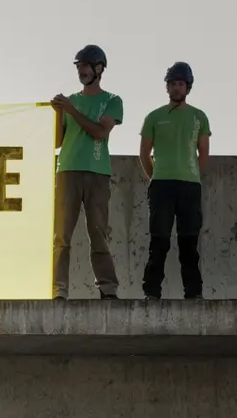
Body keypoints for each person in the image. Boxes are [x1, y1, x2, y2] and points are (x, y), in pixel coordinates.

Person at [49, 45, 124, 299]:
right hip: (67, 170)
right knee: (61, 235)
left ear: (99, 68)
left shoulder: (112, 100)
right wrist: (58, 114)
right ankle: (58, 289)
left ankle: (107, 288)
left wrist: (71, 110)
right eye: (78, 66)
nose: (81, 70)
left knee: (98, 232)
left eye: (85, 66)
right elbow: (57, 141)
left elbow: (101, 132)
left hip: (97, 172)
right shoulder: (70, 101)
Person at [140, 62, 213, 300]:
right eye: (172, 84)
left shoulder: (199, 117)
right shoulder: (154, 117)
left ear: (187, 87)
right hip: (161, 185)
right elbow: (144, 153)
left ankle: (193, 293)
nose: (176, 88)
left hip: (189, 186)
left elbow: (204, 153)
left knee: (189, 244)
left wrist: (192, 175)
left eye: (180, 83)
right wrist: (156, 176)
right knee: (159, 242)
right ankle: (151, 292)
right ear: (167, 87)